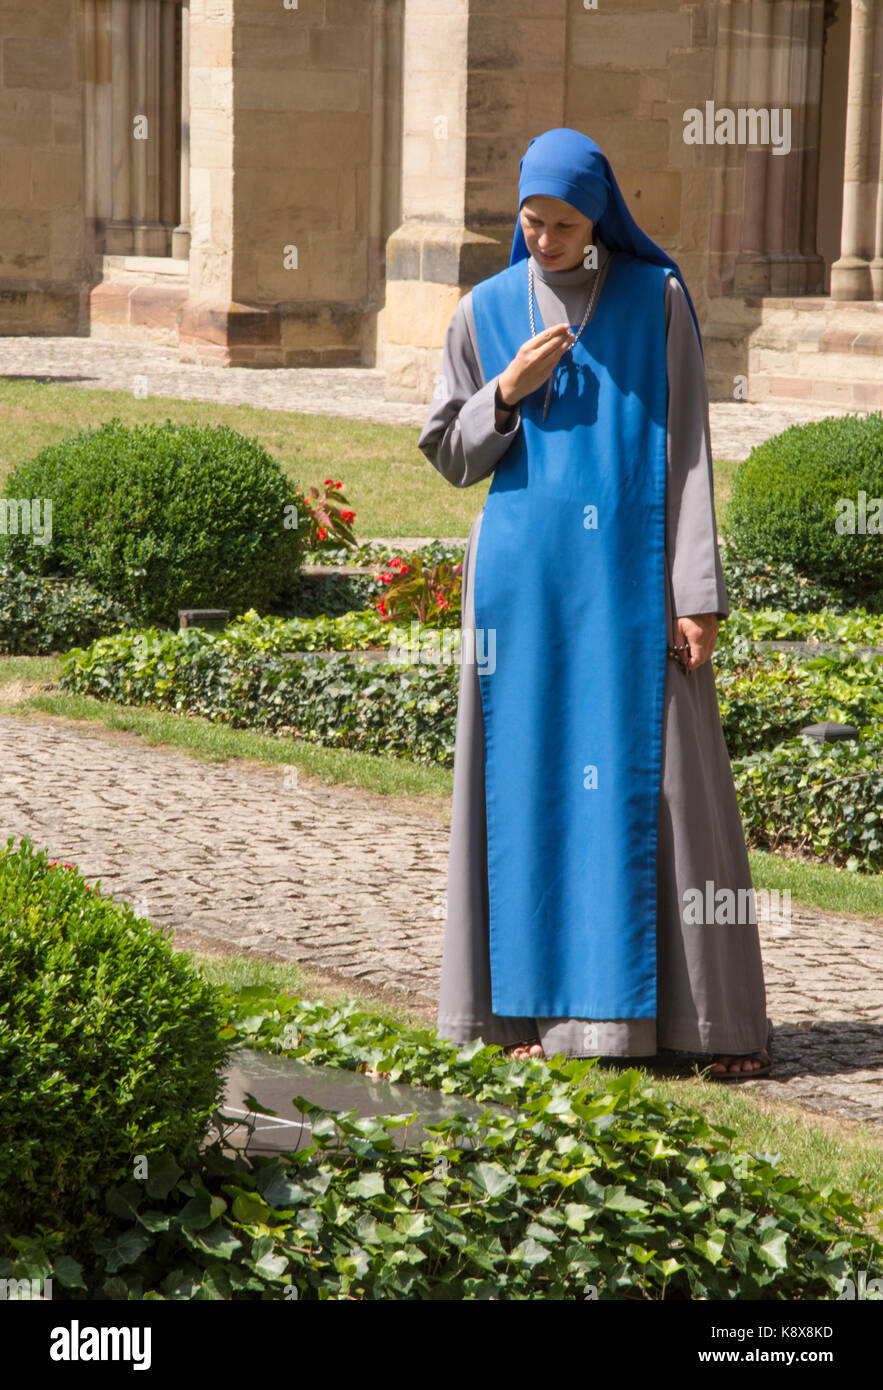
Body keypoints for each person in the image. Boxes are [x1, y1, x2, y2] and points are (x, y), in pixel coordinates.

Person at [417, 128, 772, 1081]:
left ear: (599, 219)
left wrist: (694, 594)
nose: (544, 242)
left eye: (564, 226)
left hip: (632, 580)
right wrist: (507, 391)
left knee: (666, 792)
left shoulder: (653, 301)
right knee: (525, 783)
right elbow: (451, 456)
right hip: (522, 593)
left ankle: (699, 1024)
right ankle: (526, 1014)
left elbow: (689, 449)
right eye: (531, 224)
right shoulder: (481, 311)